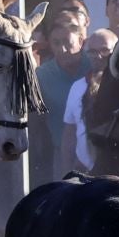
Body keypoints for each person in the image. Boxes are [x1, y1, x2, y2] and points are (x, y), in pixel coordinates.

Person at [57, 27, 117, 174]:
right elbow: (69, 134)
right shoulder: (77, 87)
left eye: (104, 50)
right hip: (86, 173)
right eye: (93, 51)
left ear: (115, 52)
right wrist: (67, 173)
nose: (98, 56)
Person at [32, 11, 87, 164]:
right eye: (56, 43)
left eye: (67, 42)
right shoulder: (42, 76)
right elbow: (35, 122)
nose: (62, 49)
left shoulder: (94, 66)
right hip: (62, 155)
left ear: (80, 41)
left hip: (97, 153)